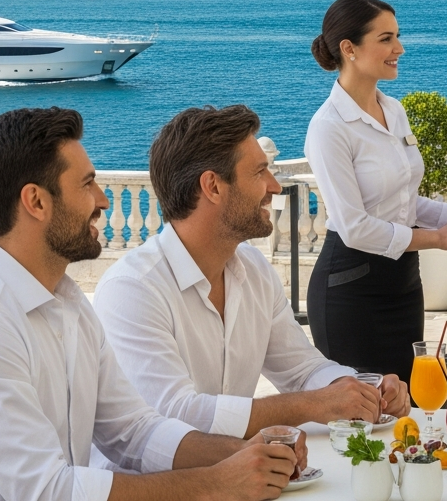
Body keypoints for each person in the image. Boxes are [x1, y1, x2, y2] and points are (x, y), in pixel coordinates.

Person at [0, 107, 307, 501]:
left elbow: (134, 431)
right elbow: (50, 492)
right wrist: (217, 483)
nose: (103, 200)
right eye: (87, 184)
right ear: (36, 202)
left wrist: (246, 456)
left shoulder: (69, 304)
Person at [96, 105, 410, 441]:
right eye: (259, 172)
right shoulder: (132, 289)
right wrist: (311, 404)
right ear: (213, 187)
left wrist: (359, 389)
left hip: (237, 477)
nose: (274, 187)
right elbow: (174, 414)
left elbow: (302, 371)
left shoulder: (254, 270)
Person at [304, 0, 447, 384]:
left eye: (397, 36)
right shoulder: (329, 127)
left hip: (403, 284)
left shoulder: (394, 110)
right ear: (349, 49)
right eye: (385, 39)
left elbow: (404, 200)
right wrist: (436, 239)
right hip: (351, 289)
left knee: (406, 410)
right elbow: (354, 226)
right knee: (362, 417)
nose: (398, 48)